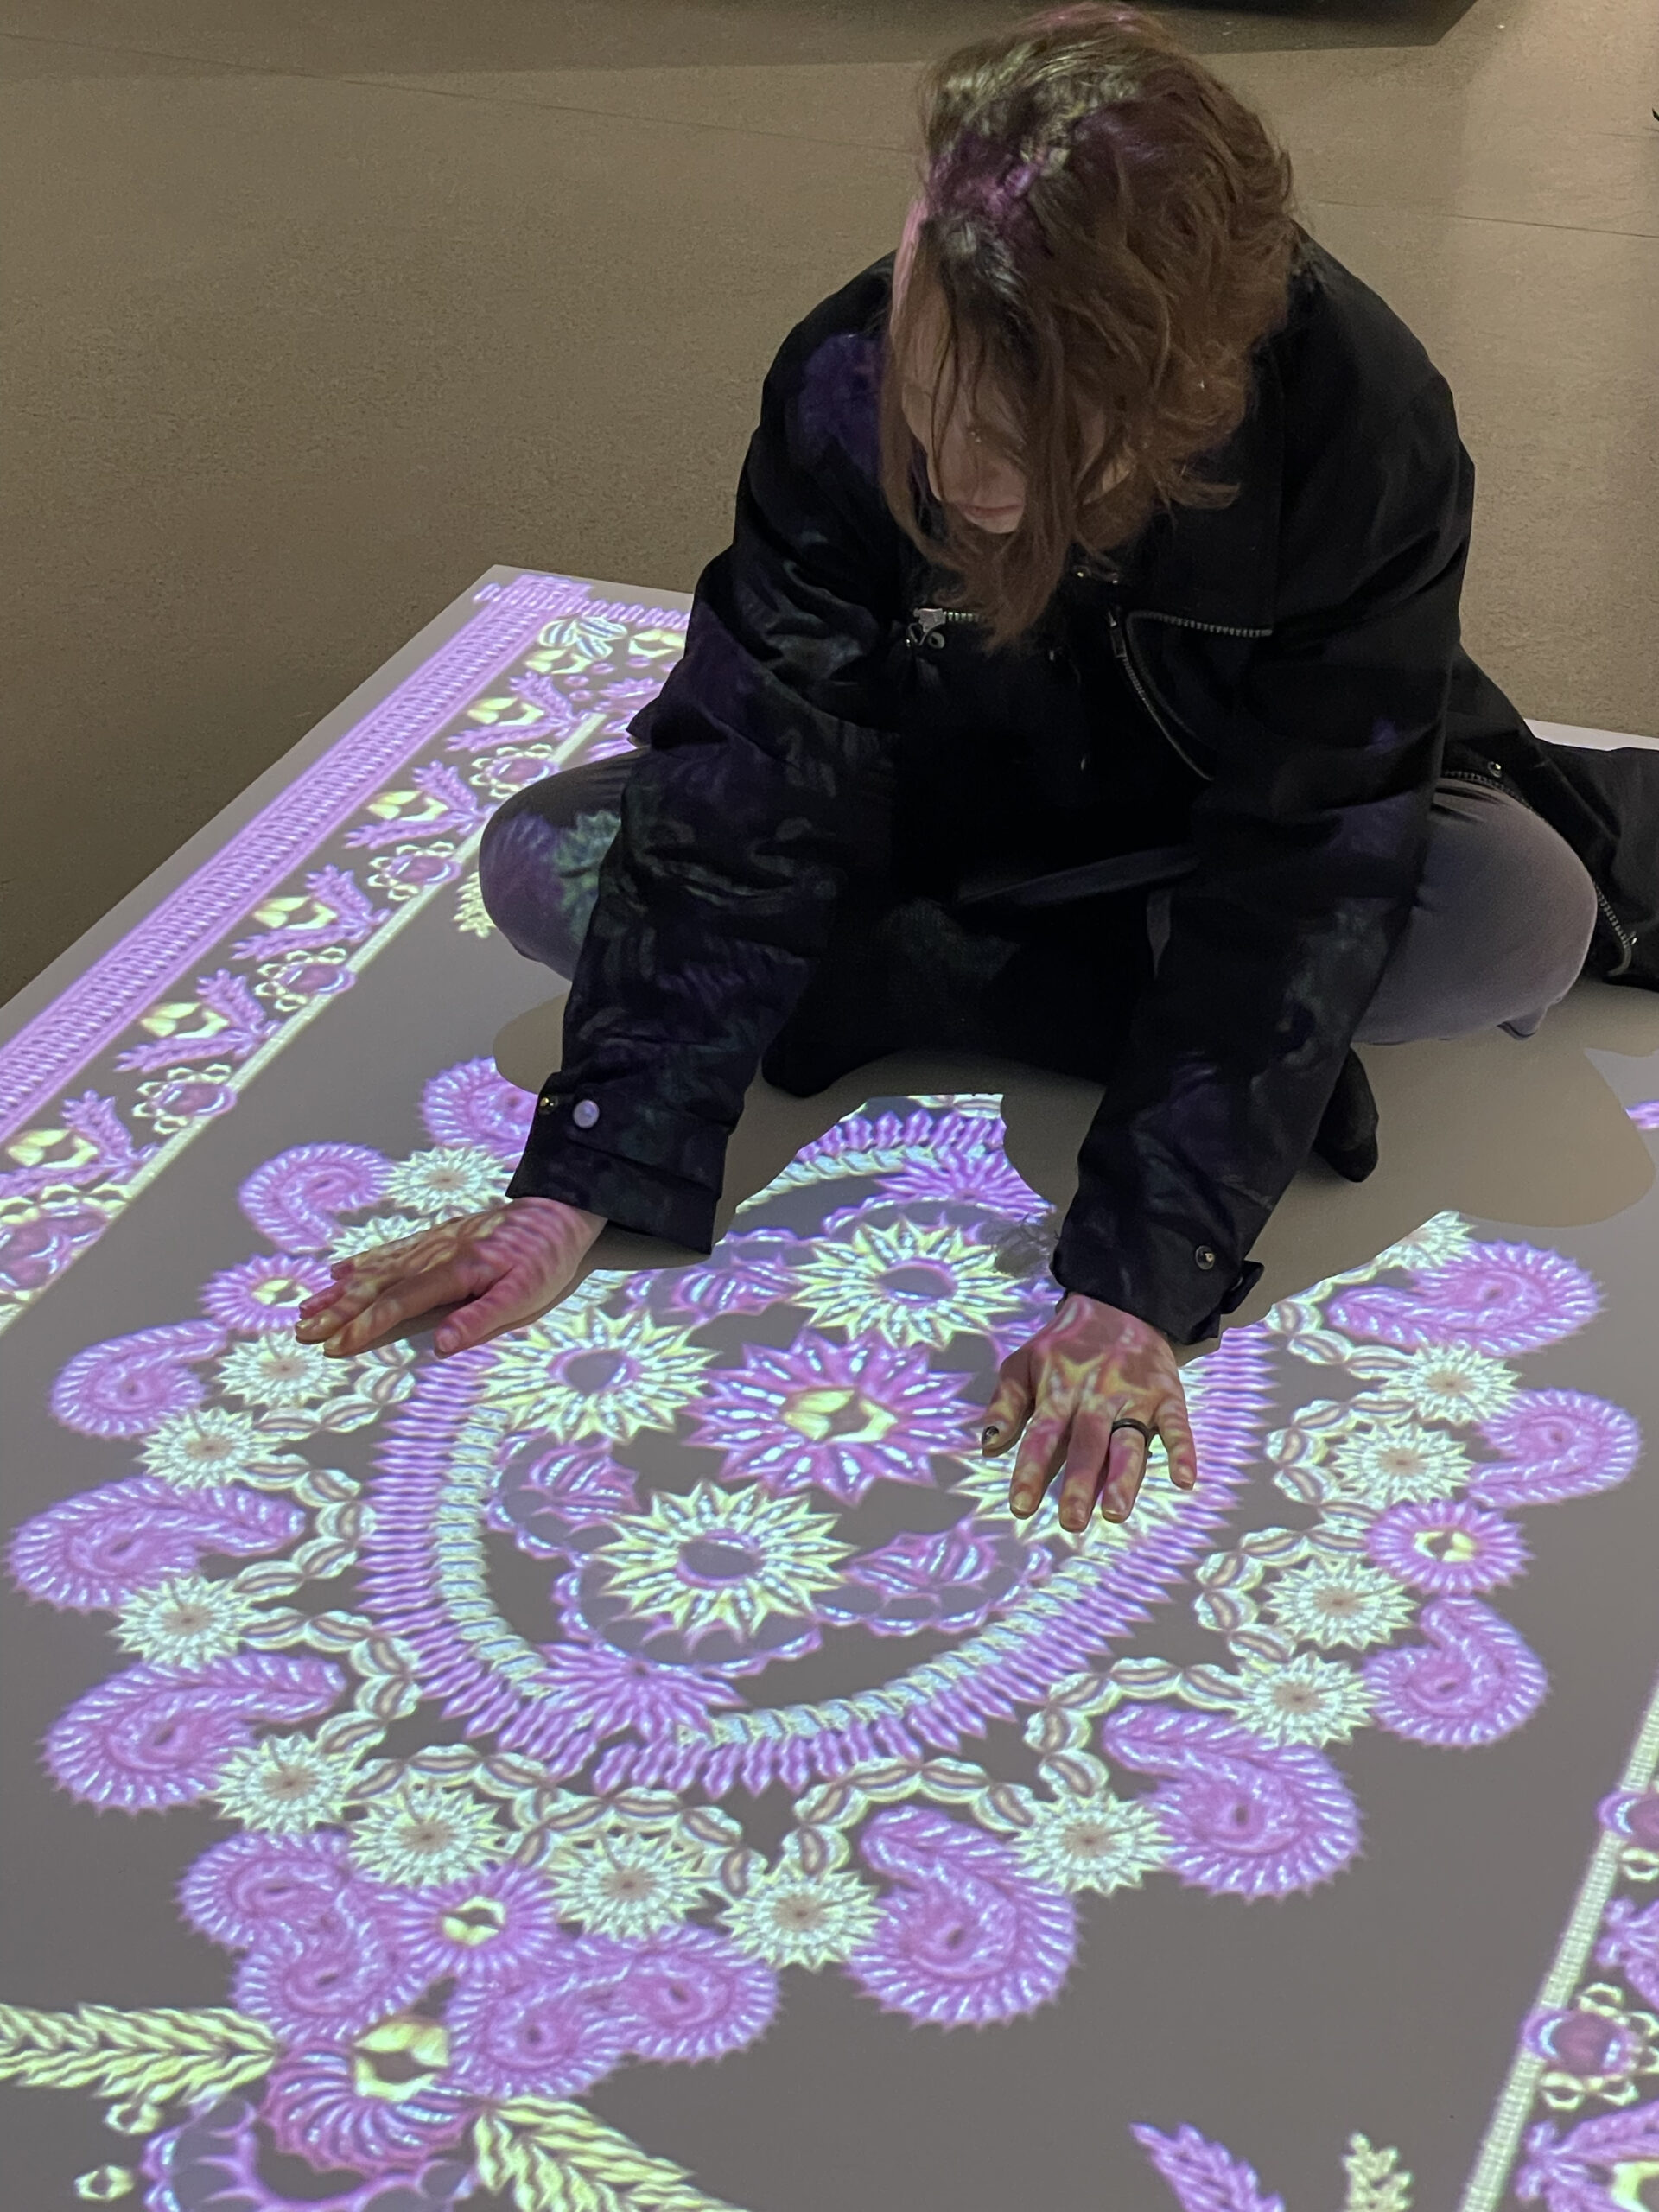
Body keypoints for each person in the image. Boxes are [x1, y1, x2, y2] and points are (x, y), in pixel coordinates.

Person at [297, 3, 1656, 1534]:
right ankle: (1048, 986)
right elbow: (761, 749)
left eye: (1046, 451)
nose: (974, 493)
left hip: (1199, 840)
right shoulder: (841, 369)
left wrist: (1140, 1276)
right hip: (944, 822)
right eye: (942, 424)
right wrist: (581, 1172)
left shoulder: (1360, 418)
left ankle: (930, 984)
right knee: (544, 864)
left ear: (1193, 392)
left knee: (1511, 911)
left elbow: (1313, 847)